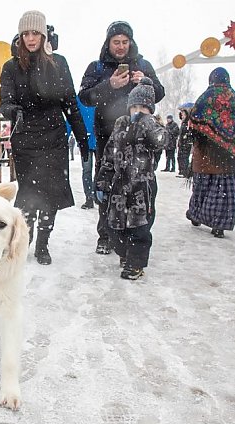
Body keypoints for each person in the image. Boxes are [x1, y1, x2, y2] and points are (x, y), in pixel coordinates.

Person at [0, 10, 90, 265]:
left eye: (35, 33)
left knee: (50, 196)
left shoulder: (58, 63)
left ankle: (43, 244)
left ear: (43, 35)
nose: (30, 38)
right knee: (27, 196)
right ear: (20, 37)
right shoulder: (11, 66)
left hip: (54, 137)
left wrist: (82, 139)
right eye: (25, 33)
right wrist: (12, 110)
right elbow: (5, 102)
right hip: (26, 137)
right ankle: (22, 243)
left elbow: (70, 103)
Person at [78, 20, 164, 255]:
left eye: (125, 42)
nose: (121, 46)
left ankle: (135, 236)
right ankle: (106, 235)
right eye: (116, 42)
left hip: (141, 140)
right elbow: (84, 96)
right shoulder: (96, 67)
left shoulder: (143, 65)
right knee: (107, 186)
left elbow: (159, 92)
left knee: (140, 188)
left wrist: (144, 82)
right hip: (108, 138)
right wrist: (110, 85)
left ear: (131, 42)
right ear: (108, 43)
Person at [95, 78, 166, 280]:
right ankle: (125, 252)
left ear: (151, 109)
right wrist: (102, 181)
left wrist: (148, 123)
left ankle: (135, 263)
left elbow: (162, 141)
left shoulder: (153, 127)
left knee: (140, 227)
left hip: (142, 187)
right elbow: (109, 155)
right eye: (134, 106)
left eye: (144, 107)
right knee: (115, 225)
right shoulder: (121, 124)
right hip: (119, 185)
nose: (138, 110)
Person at [185, 67, 235, 239]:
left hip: (205, 154)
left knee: (201, 188)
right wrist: (230, 145)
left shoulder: (205, 97)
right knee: (222, 192)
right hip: (228, 158)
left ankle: (195, 215)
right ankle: (219, 225)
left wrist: (207, 138)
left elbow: (192, 123)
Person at [175, 103, 194, 178]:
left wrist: (186, 136)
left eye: (183, 114)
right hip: (182, 143)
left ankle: (185, 171)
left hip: (186, 143)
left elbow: (189, 133)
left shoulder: (188, 123)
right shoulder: (183, 123)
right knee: (180, 157)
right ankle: (181, 170)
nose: (182, 116)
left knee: (184, 157)